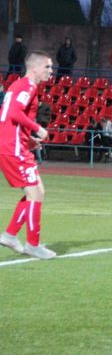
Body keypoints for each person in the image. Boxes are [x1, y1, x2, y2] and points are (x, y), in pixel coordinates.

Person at [0, 50, 56, 259]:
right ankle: (33, 244)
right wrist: (37, 129)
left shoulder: (18, 85)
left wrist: (28, 140)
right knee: (36, 193)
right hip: (12, 147)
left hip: (12, 144)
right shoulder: (28, 85)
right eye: (47, 67)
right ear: (35, 68)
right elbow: (14, 112)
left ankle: (10, 235)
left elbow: (9, 116)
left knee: (37, 191)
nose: (51, 71)